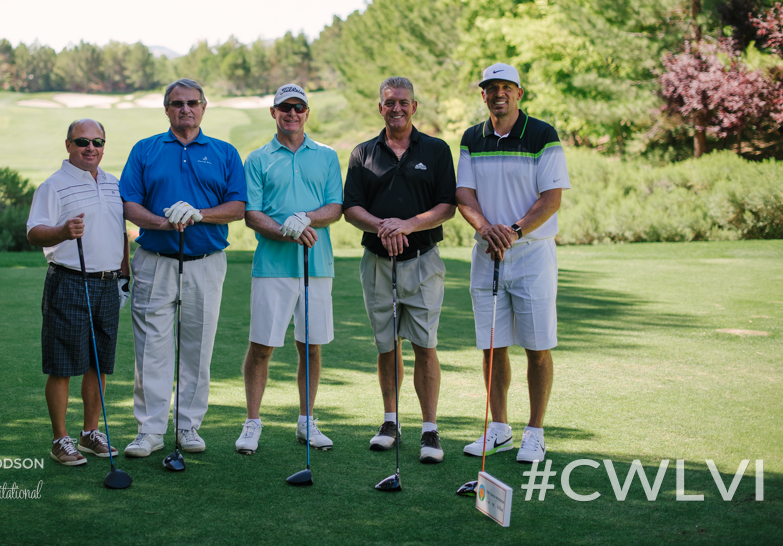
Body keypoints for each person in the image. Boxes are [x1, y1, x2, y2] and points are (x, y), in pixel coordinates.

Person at [119, 78, 247, 458]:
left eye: (192, 102)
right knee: (151, 349)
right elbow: (128, 203)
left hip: (205, 263)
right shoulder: (146, 149)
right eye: (177, 103)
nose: (185, 109)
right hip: (154, 260)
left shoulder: (224, 152)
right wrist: (163, 222)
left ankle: (188, 426)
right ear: (167, 109)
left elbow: (238, 206)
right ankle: (150, 430)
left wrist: (199, 214)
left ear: (204, 108)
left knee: (197, 347)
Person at [455, 62, 570, 464]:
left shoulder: (542, 135)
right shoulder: (472, 138)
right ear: (482, 94)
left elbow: (551, 199)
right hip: (487, 251)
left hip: (531, 253)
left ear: (519, 93)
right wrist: (488, 229)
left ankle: (535, 432)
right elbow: (464, 195)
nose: (498, 94)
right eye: (491, 88)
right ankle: (499, 428)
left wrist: (514, 231)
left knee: (537, 347)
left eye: (506, 87)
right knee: (491, 346)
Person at [343, 76, 457, 464]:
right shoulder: (362, 153)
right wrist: (383, 227)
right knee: (386, 344)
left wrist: (407, 225)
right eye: (389, 102)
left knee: (425, 345)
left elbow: (447, 205)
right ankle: (390, 422)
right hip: (377, 262)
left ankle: (430, 429)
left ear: (414, 106)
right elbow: (351, 208)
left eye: (403, 102)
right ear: (380, 108)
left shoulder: (437, 150)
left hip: (423, 261)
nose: (396, 108)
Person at [236, 84, 344, 455]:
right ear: (274, 112)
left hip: (317, 265)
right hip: (271, 267)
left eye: (299, 107)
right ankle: (252, 421)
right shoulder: (258, 159)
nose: (292, 113)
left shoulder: (327, 156)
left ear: (307, 113)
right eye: (285, 108)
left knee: (311, 347)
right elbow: (251, 214)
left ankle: (307, 421)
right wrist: (286, 228)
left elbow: (335, 207)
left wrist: (306, 218)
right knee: (262, 347)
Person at [26, 119, 130, 466]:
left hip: (108, 283)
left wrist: (124, 273)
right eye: (83, 141)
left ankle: (89, 433)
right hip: (69, 280)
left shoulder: (115, 183)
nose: (91, 148)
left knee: (98, 363)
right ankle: (60, 439)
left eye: (97, 142)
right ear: (68, 144)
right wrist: (62, 231)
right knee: (62, 364)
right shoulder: (53, 186)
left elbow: (120, 232)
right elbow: (34, 232)